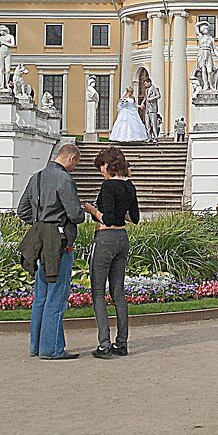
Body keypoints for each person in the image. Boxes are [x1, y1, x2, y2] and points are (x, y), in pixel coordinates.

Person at [17, 143, 87, 360]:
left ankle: (36, 345)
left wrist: (40, 222)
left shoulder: (36, 177)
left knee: (41, 294)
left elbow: (22, 210)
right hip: (58, 239)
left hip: (39, 238)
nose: (75, 167)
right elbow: (75, 214)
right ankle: (52, 348)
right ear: (71, 158)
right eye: (76, 163)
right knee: (57, 294)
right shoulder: (64, 179)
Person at [83, 146, 139, 359]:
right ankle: (121, 343)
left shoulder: (107, 187)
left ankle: (104, 344)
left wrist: (91, 210)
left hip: (105, 238)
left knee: (98, 291)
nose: (101, 172)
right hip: (122, 239)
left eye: (101, 168)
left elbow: (106, 218)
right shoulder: (129, 186)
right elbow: (134, 218)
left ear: (107, 166)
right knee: (118, 292)